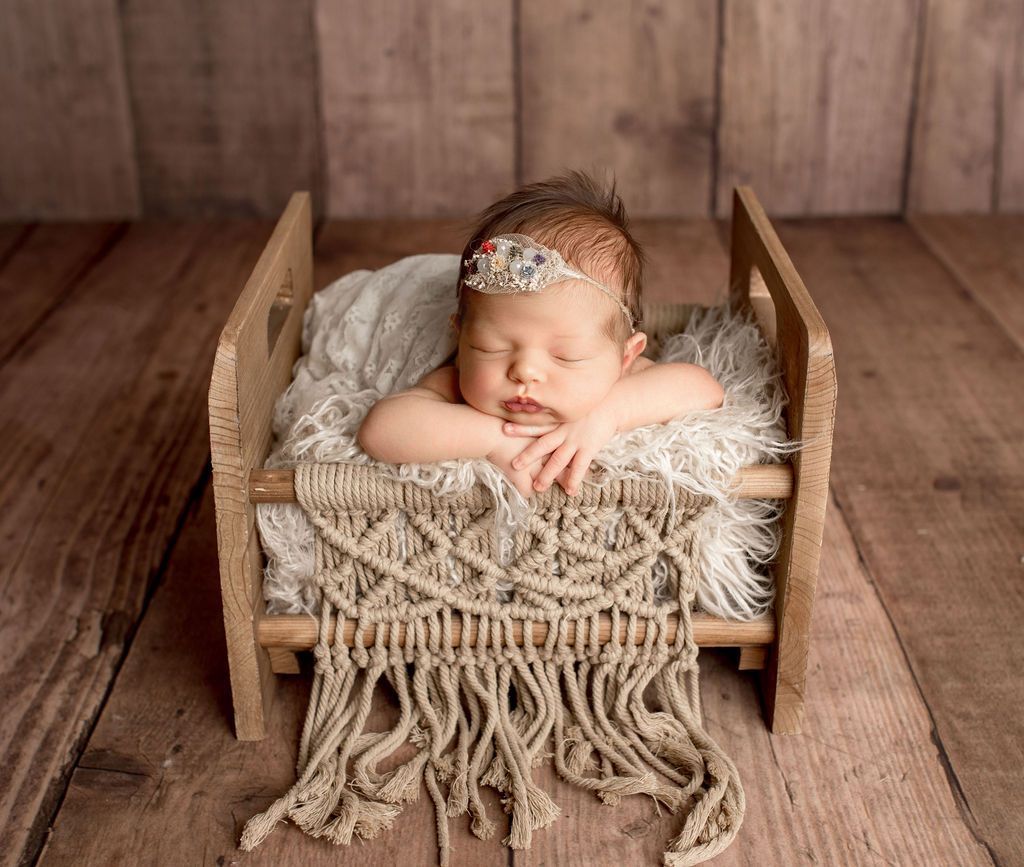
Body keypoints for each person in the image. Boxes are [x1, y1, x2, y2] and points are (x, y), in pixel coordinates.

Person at [357, 170, 724, 498]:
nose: (525, 371)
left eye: (566, 356)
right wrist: (492, 437)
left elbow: (703, 388)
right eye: (491, 348)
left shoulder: (618, 381)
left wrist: (609, 413)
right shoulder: (455, 383)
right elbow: (381, 430)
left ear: (625, 356)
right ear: (461, 340)